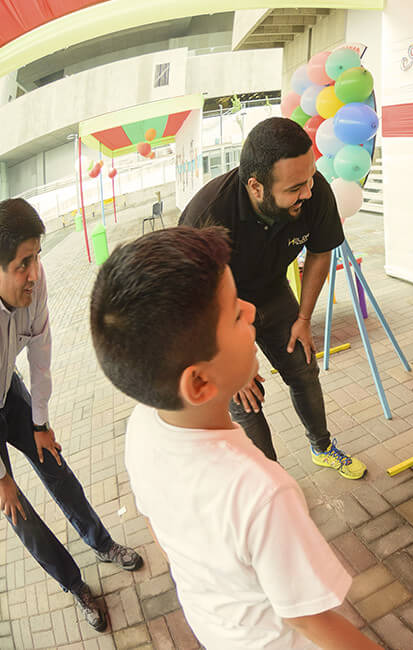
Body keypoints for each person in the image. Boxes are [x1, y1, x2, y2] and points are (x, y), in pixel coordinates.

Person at [90, 227, 377, 649]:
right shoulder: (263, 493)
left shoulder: (141, 426)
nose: (252, 310)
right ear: (201, 383)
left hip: (216, 630)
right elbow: (312, 622)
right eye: (236, 314)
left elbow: (156, 524)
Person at [179, 117, 365, 479]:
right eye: (296, 187)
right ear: (256, 186)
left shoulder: (313, 189)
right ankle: (273, 480)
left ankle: (322, 447)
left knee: (303, 368)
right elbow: (190, 301)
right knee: (243, 398)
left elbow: (320, 251)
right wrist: (225, 363)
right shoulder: (206, 216)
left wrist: (304, 319)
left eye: (310, 178)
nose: (309, 192)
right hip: (219, 312)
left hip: (273, 292)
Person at [0, 198, 142, 632]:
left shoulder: (33, 287)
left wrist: (39, 423)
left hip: (8, 390)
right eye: (24, 263)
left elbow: (40, 355)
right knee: (15, 509)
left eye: (37, 257)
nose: (35, 273)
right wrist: (2, 480)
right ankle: (75, 585)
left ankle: (102, 543)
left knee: (54, 462)